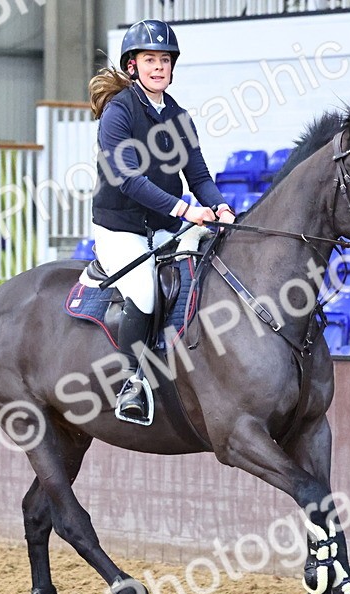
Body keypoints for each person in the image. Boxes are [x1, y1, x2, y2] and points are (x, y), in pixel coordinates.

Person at [87, 19, 235, 423]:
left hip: (166, 228)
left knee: (207, 270)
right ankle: (130, 383)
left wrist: (222, 208)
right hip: (121, 229)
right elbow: (128, 179)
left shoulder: (178, 117)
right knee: (145, 291)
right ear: (132, 66)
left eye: (165, 60)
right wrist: (185, 210)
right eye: (150, 59)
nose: (158, 67)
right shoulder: (118, 112)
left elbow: (199, 177)